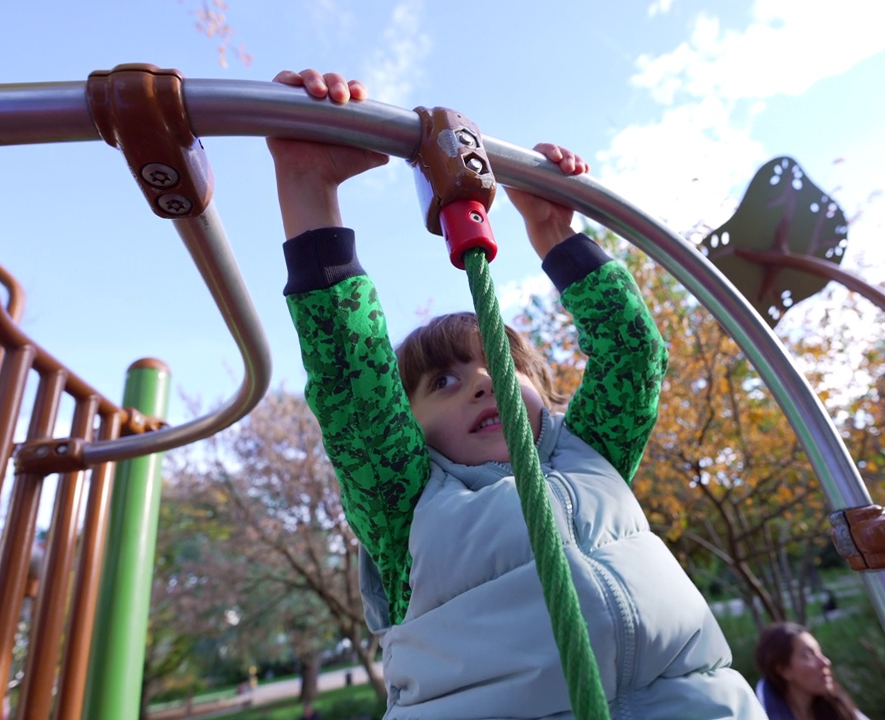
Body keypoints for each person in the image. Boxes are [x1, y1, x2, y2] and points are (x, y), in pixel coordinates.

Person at [269, 68, 764, 719]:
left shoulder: (593, 454)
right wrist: (309, 193)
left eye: (496, 367)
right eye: (442, 382)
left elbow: (633, 352)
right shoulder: (407, 503)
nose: (480, 381)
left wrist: (558, 236)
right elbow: (352, 387)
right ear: (405, 427)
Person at [754, 622, 868, 720]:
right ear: (784, 670)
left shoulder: (840, 710)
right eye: (809, 655)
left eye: (820, 652)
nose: (825, 662)